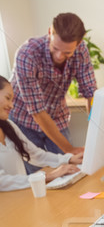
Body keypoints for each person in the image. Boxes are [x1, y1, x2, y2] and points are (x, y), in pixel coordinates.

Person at [9, 12, 97, 171]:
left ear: (78, 43)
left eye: (67, 53)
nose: (59, 56)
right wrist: (69, 150)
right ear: (50, 32)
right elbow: (37, 111)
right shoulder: (27, 54)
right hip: (24, 121)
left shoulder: (81, 51)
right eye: (55, 48)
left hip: (57, 117)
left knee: (72, 173)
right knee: (39, 178)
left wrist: (95, 136)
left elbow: (91, 93)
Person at [0, 76, 82, 191]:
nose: (11, 106)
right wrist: (48, 176)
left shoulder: (9, 126)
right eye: (8, 98)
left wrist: (69, 159)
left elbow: (35, 155)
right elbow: (2, 182)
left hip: (22, 197)